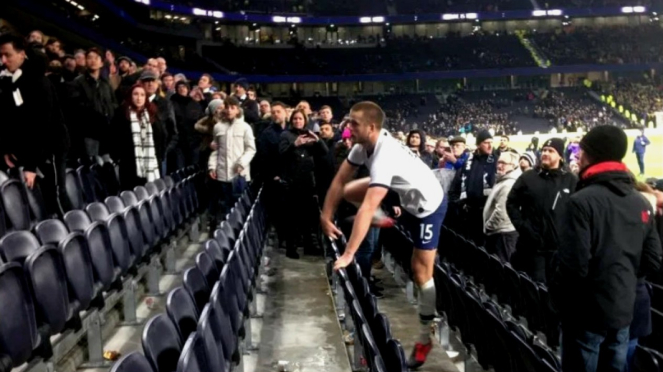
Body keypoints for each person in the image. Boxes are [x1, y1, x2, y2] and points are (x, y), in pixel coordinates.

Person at [320, 101, 446, 369]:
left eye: (354, 123)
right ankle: (383, 220)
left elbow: (366, 207)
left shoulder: (384, 156)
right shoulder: (362, 146)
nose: (347, 127)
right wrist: (325, 215)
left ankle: (426, 336)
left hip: (428, 206)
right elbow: (339, 182)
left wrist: (348, 254)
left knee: (420, 271)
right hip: (404, 191)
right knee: (350, 190)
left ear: (371, 127)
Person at [553, 125, 662, 372]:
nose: (578, 158)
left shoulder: (581, 202)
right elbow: (653, 259)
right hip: (623, 310)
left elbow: (574, 267)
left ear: (590, 155)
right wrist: (620, 281)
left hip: (585, 315)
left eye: (581, 152)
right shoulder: (640, 201)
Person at [0, 33, 72, 216]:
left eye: (7, 55)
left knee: (56, 194)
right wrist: (8, 148)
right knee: (45, 198)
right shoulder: (8, 80)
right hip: (34, 148)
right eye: (0, 55)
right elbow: (10, 119)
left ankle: (75, 237)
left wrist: (31, 166)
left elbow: (40, 126)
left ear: (22, 54)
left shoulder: (37, 81)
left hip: (52, 146)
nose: (3, 60)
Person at [507, 138, 577, 283]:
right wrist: (522, 226)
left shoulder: (570, 180)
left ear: (560, 156)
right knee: (535, 288)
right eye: (544, 150)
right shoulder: (528, 177)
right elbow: (511, 203)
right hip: (531, 248)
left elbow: (578, 211)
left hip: (558, 251)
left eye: (551, 151)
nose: (545, 153)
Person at [280, 109, 328, 258]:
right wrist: (294, 144)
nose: (297, 121)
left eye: (300, 119)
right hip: (292, 181)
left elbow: (324, 152)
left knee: (309, 217)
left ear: (305, 121)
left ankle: (309, 246)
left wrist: (318, 140)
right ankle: (291, 248)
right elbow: (281, 154)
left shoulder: (309, 135)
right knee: (292, 218)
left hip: (308, 181)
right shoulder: (285, 135)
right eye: (295, 119)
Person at [208, 96, 256, 226]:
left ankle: (238, 233)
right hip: (222, 174)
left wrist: (241, 163)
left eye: (232, 108)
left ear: (237, 110)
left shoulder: (245, 127)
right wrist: (212, 167)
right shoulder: (218, 127)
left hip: (239, 175)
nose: (229, 110)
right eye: (227, 107)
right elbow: (215, 150)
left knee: (240, 206)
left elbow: (251, 149)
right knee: (224, 205)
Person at [109, 84, 166, 189]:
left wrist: (160, 156)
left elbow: (161, 137)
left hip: (150, 164)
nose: (139, 98)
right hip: (128, 165)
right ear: (130, 96)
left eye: (142, 95)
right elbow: (113, 137)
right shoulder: (121, 113)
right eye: (135, 94)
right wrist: (118, 157)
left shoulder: (152, 114)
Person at [483, 151, 521, 262]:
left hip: (503, 234)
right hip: (499, 232)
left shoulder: (509, 184)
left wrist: (488, 226)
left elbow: (502, 212)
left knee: (502, 269)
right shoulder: (503, 180)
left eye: (503, 163)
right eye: (498, 162)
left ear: (513, 165)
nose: (499, 166)